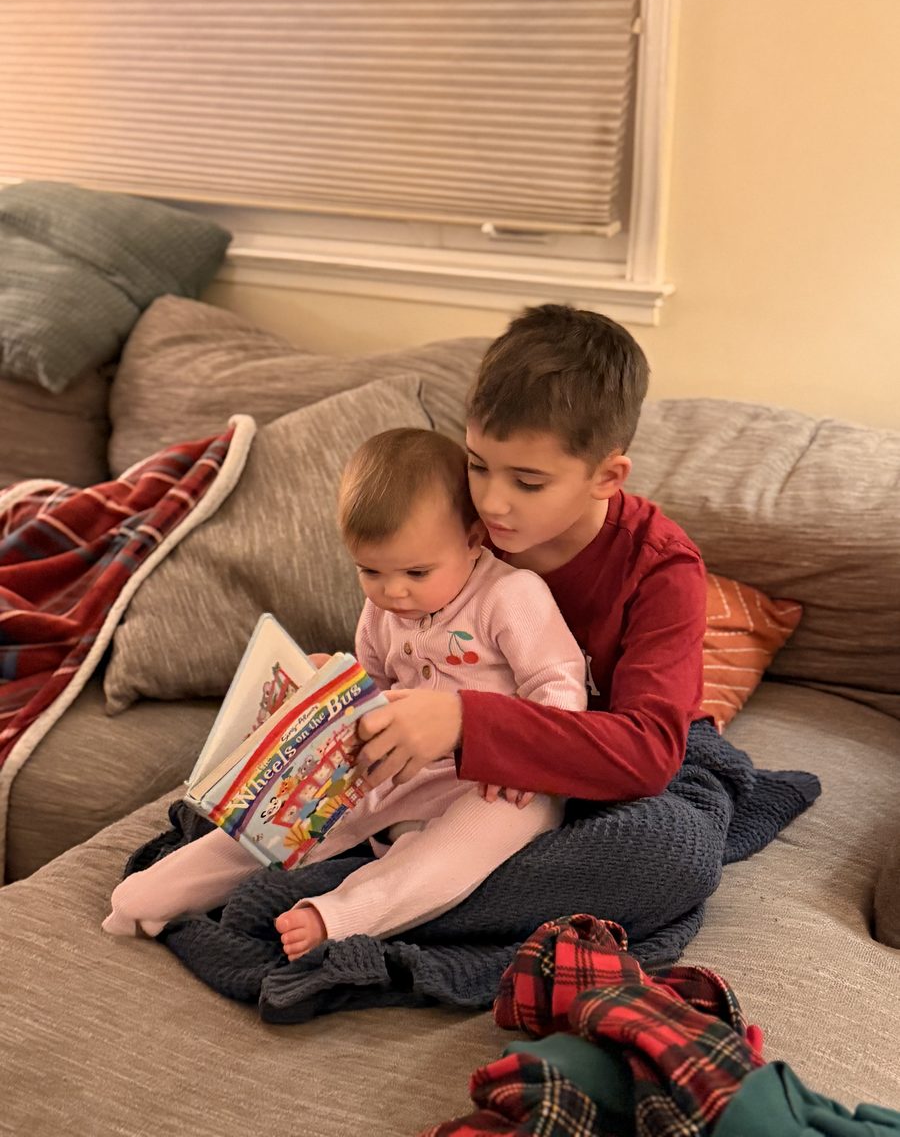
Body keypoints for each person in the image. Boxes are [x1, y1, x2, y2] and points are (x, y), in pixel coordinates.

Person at [103, 428, 587, 958]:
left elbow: (557, 682)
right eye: (370, 571)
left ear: (474, 540)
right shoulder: (382, 611)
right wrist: (329, 689)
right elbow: (376, 686)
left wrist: (526, 759)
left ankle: (339, 915)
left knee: (455, 851)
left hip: (501, 781)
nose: (392, 590)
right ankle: (153, 894)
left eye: (416, 572)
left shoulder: (511, 594)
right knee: (287, 811)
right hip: (400, 764)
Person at [353, 303, 708, 805]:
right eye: (478, 465)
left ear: (606, 477)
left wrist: (465, 723)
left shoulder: (661, 568)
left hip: (601, 756)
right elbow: (395, 635)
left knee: (667, 845)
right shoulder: (457, 515)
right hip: (451, 768)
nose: (491, 503)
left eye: (527, 481)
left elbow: (645, 754)